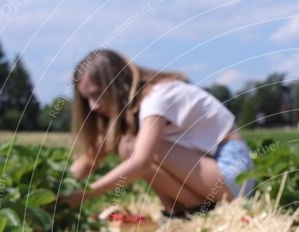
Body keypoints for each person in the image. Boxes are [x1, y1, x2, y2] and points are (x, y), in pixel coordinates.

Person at [62, 49, 254, 215]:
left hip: (233, 174)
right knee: (129, 145)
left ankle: (182, 213)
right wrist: (57, 191)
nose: (93, 106)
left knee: (133, 148)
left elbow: (141, 162)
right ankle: (183, 214)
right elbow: (90, 158)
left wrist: (83, 195)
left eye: (97, 94)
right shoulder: (136, 108)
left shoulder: (156, 98)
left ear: (117, 84)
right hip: (215, 177)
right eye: (87, 98)